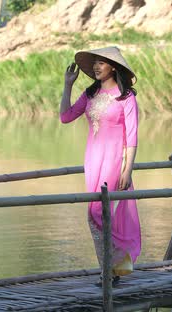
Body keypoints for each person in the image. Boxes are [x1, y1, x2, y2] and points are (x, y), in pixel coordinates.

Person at [60, 46, 141, 284]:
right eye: (94, 63)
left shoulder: (126, 97)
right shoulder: (90, 93)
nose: (96, 66)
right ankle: (110, 271)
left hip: (115, 159)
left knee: (99, 212)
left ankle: (112, 270)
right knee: (94, 215)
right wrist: (67, 85)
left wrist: (127, 169)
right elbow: (65, 117)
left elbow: (133, 136)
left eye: (101, 63)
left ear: (113, 67)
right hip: (93, 160)